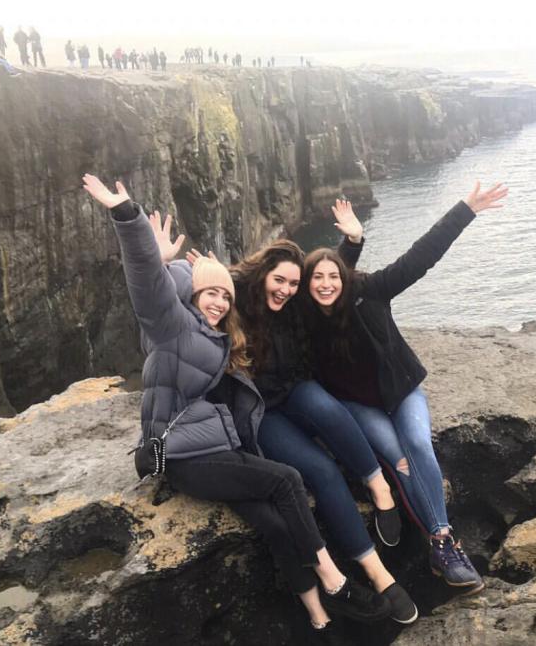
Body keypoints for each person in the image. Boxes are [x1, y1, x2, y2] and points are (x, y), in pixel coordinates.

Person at [81, 174, 392, 641]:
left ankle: (318, 617)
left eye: (225, 296)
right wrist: (128, 217)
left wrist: (349, 245)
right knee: (288, 481)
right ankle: (335, 580)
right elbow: (146, 283)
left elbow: (280, 291)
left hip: (212, 448)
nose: (219, 301)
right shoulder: (172, 328)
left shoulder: (218, 335)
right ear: (191, 296)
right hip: (184, 457)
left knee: (274, 523)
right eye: (210, 293)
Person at [211, 203, 418, 625]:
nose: (286, 290)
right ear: (261, 276)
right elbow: (184, 297)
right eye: (279, 280)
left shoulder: (296, 302)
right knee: (321, 471)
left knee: (331, 409)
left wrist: (354, 242)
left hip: (295, 387)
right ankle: (378, 575)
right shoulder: (237, 301)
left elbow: (332, 280)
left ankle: (379, 487)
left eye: (292, 283)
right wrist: (201, 275)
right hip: (261, 411)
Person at [301, 183, 508, 596]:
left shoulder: (371, 290)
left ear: (343, 277)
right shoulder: (304, 318)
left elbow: (421, 257)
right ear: (307, 284)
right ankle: (444, 545)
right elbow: (267, 290)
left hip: (401, 392)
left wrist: (464, 209)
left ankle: (442, 543)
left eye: (332, 276)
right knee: (400, 461)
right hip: (360, 405)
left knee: (417, 443)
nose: (325, 284)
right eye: (316, 278)